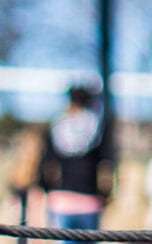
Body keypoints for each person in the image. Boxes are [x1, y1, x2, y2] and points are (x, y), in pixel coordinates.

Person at [38, 85, 115, 244]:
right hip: (90, 200)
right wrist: (107, 192)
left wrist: (47, 189)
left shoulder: (57, 126)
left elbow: (47, 165)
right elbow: (107, 164)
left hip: (61, 200)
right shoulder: (98, 126)